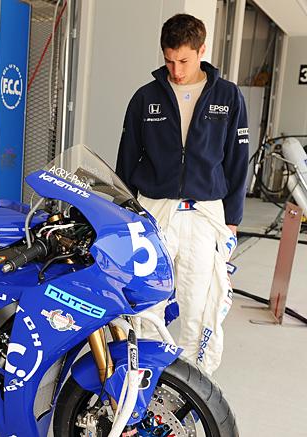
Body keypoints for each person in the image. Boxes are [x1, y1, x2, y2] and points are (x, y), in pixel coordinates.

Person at [115, 14, 249, 375]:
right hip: (154, 210)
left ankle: (193, 384)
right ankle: (144, 378)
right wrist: (124, 212)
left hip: (204, 214)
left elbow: (238, 162)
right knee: (146, 301)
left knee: (198, 304)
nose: (175, 71)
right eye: (169, 60)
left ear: (202, 51)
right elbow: (126, 159)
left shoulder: (228, 97)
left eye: (184, 61)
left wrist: (233, 219)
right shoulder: (145, 98)